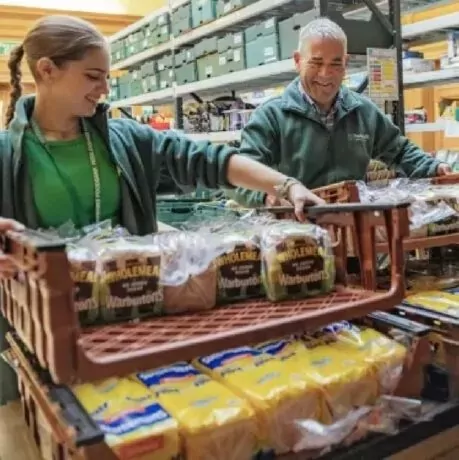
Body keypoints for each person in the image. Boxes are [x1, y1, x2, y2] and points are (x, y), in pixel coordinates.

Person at [0, 15, 326, 405]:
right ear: (47, 70)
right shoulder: (7, 154)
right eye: (92, 76)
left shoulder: (123, 139)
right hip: (39, 329)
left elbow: (207, 159)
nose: (105, 89)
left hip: (128, 312)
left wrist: (287, 186)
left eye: (106, 77)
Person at [232, 17, 451, 208]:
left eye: (335, 64)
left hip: (353, 232)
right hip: (294, 238)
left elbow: (400, 151)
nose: (326, 74)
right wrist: (267, 196)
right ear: (298, 61)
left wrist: (434, 167)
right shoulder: (271, 117)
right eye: (316, 63)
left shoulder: (362, 112)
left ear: (345, 63)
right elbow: (240, 174)